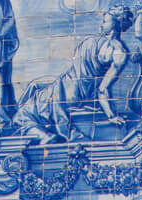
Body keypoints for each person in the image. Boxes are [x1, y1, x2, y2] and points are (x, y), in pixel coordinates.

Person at [14, 6, 133, 141]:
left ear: (114, 24)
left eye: (105, 21)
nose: (102, 24)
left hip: (67, 91)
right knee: (35, 85)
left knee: (21, 117)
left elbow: (102, 90)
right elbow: (100, 87)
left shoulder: (107, 48)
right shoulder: (116, 50)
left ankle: (46, 136)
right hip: (69, 86)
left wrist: (111, 115)